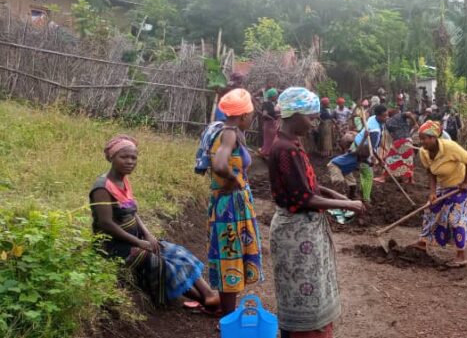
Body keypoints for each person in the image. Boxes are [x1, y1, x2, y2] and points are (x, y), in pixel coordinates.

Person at [268, 87, 366, 338]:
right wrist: (349, 205)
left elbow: (307, 184)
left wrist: (336, 195)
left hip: (303, 230)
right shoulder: (286, 149)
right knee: (303, 292)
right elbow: (304, 197)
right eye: (310, 117)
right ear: (294, 114)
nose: (314, 122)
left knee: (311, 289)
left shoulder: (291, 143)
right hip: (296, 232)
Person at [90, 135, 219, 308]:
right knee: (160, 263)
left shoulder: (123, 180)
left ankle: (208, 294)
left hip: (132, 237)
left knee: (174, 251)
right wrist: (138, 242)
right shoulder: (102, 187)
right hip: (113, 246)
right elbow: (106, 224)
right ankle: (204, 300)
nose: (130, 161)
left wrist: (148, 235)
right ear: (111, 157)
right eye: (124, 157)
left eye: (133, 157)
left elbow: (133, 212)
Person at [207, 88, 264, 316]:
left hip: (230, 203)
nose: (251, 119)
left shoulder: (228, 131)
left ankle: (228, 311)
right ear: (243, 116)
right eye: (251, 115)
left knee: (230, 253)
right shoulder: (229, 133)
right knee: (229, 254)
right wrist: (235, 180)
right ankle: (228, 316)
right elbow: (220, 164)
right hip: (229, 206)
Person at [411, 120, 467, 268]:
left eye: (424, 138)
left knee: (455, 219)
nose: (421, 142)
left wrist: (465, 182)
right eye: (420, 138)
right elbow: (431, 173)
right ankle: (423, 242)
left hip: (461, 185)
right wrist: (433, 192)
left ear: (433, 137)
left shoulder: (450, 147)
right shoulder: (423, 152)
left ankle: (461, 255)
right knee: (430, 210)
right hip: (443, 186)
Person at [328, 105, 388, 205]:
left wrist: (379, 159)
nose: (386, 118)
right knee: (368, 174)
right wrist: (371, 161)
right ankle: (366, 199)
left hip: (357, 146)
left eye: (387, 115)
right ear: (377, 115)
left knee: (361, 173)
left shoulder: (372, 118)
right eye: (384, 116)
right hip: (360, 151)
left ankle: (356, 193)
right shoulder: (375, 133)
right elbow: (368, 152)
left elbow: (370, 149)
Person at [377, 110, 419, 184]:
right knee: (408, 160)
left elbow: (408, 113)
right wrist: (415, 124)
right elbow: (409, 114)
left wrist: (415, 124)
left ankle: (383, 177)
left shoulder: (390, 121)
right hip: (408, 140)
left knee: (390, 159)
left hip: (400, 141)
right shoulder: (396, 119)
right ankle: (410, 179)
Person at [258, 87, 280, 159]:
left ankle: (266, 153)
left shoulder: (270, 104)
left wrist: (277, 115)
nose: (276, 97)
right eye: (276, 95)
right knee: (270, 140)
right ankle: (266, 153)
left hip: (270, 124)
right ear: (272, 96)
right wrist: (273, 118)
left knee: (270, 140)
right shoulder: (267, 104)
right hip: (269, 124)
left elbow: (270, 113)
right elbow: (264, 114)